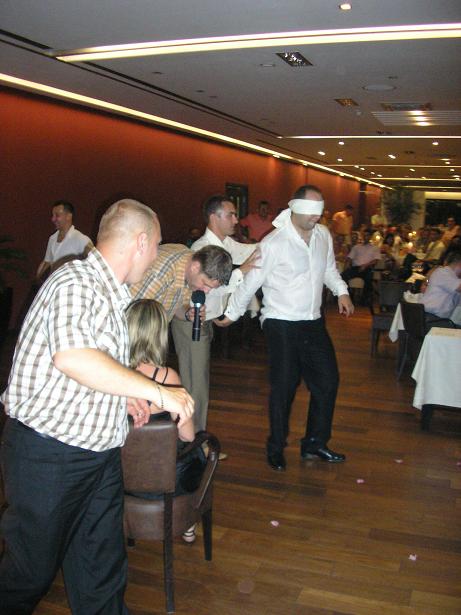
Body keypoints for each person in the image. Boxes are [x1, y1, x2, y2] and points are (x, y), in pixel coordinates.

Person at [0, 199, 194, 614]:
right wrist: (160, 392)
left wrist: (123, 394)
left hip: (99, 454)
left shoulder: (114, 294)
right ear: (140, 242)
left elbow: (92, 366)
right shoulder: (76, 281)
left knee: (100, 571)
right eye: (156, 245)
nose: (156, 256)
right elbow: (73, 357)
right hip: (50, 455)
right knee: (29, 573)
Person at [215, 184, 354, 472]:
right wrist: (231, 314)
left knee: (328, 382)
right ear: (294, 207)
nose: (317, 216)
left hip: (312, 320)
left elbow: (329, 269)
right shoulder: (274, 243)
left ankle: (314, 443)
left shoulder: (323, 235)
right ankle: (276, 446)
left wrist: (341, 292)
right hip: (281, 321)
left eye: (319, 210)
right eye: (311, 210)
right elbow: (250, 283)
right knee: (285, 386)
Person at [171, 195, 259, 438]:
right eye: (231, 214)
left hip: (204, 319)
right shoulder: (201, 248)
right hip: (189, 320)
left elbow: (252, 251)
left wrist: (279, 240)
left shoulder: (225, 243)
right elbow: (207, 288)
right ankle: (194, 441)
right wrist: (240, 273)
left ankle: (193, 438)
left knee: (198, 383)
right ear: (214, 217)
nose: (236, 220)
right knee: (195, 384)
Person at [125, 298, 203, 543]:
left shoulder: (112, 375)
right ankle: (188, 521)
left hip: (121, 474)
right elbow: (187, 435)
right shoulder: (167, 377)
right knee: (199, 448)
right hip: (164, 478)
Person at [36, 200, 93, 281]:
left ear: (69, 216)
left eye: (57, 215)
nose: (53, 219)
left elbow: (93, 263)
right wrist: (38, 279)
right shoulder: (52, 238)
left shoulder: (81, 239)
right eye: (52, 215)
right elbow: (47, 262)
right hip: (55, 283)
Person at [341, 228, 381, 304]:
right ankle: (348, 295)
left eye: (367, 235)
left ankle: (364, 300)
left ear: (370, 237)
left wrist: (365, 265)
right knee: (343, 275)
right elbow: (349, 258)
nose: (366, 237)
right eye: (364, 235)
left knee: (369, 278)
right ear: (362, 236)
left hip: (367, 268)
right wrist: (346, 266)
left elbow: (375, 260)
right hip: (356, 268)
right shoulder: (356, 247)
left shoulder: (375, 248)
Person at [420, 251, 461, 324]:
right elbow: (459, 288)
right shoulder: (443, 272)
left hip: (435, 319)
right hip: (430, 318)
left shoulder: (455, 279)